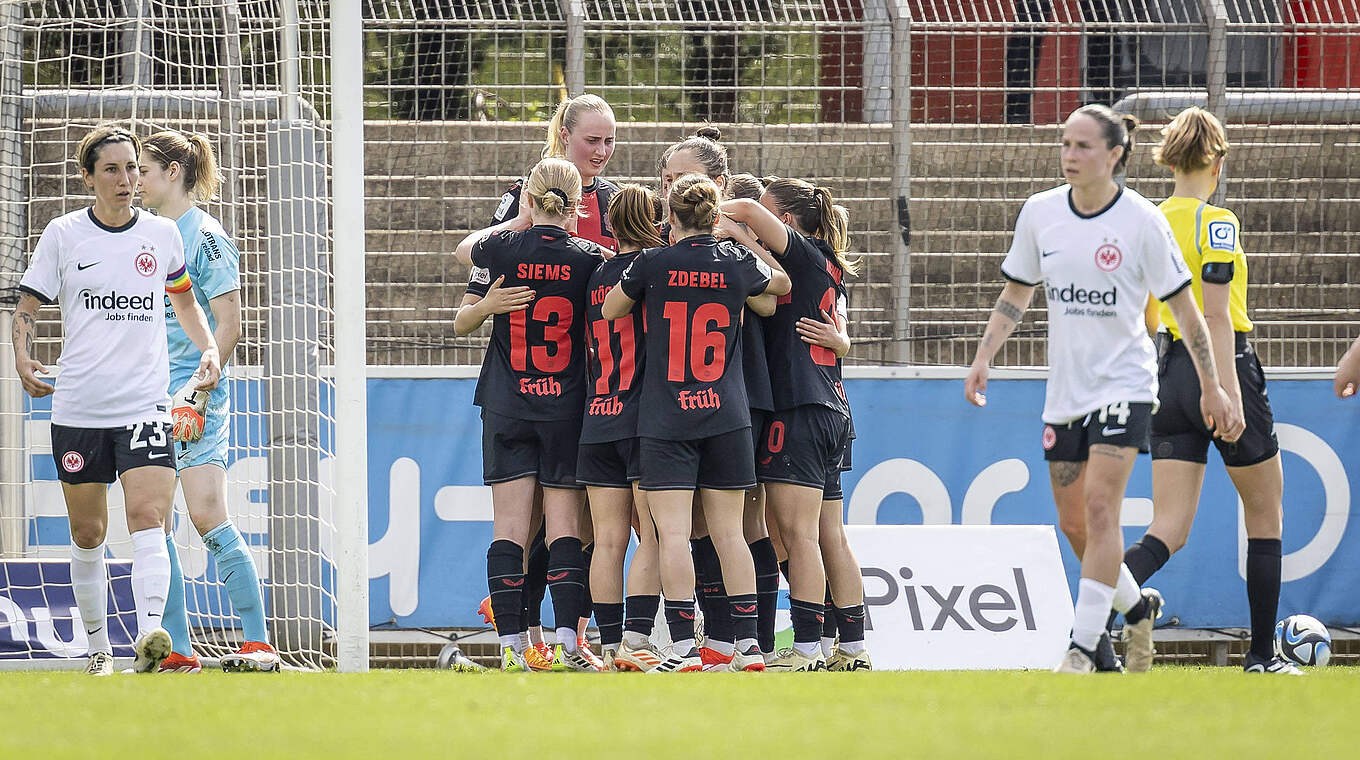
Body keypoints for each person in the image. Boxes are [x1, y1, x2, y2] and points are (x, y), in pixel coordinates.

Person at [964, 105, 1241, 673]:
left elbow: (1187, 312)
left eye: (1084, 146)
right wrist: (983, 355)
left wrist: (1213, 387)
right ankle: (1136, 607)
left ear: (1115, 155)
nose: (1070, 154)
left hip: (1128, 383)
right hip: (1067, 391)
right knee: (1074, 523)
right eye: (1065, 143)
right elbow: (1017, 293)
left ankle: (1082, 648)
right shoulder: (1040, 213)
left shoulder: (1142, 221)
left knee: (1100, 508)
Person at [11, 124, 221, 675]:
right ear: (89, 178)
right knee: (89, 533)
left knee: (150, 516)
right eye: (112, 169)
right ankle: (99, 649)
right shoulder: (63, 234)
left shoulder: (162, 235)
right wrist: (22, 355)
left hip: (144, 404)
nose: (126, 179)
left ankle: (152, 635)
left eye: (132, 168)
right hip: (79, 406)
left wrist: (209, 351)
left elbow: (184, 302)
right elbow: (28, 305)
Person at [1120, 107, 1300, 674]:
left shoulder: (1147, 220)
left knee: (1166, 527)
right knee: (1265, 514)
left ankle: (1092, 622)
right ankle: (1260, 656)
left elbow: (1146, 314)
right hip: (1225, 370)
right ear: (1218, 162)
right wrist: (1224, 391)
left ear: (1168, 160)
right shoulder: (1217, 221)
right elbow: (1218, 315)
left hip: (1165, 373)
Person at [602, 174, 790, 672]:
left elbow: (610, 307)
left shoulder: (653, 262)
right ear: (713, 215)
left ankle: (684, 647)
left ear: (670, 218)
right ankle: (749, 646)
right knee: (731, 534)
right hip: (727, 413)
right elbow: (781, 287)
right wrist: (747, 253)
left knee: (673, 535)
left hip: (666, 416)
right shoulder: (733, 263)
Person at [136, 130, 280, 673]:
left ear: (174, 172)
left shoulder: (207, 237)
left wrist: (198, 387)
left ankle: (257, 642)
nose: (137, 180)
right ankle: (177, 649)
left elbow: (229, 323)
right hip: (146, 391)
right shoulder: (144, 233)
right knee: (153, 516)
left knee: (205, 513)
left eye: (145, 170)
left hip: (196, 392)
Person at [454, 157, 606, 672]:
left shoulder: (500, 249)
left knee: (510, 529)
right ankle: (568, 643)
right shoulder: (591, 258)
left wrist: (518, 224)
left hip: (507, 403)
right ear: (578, 204)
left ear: (528, 199)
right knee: (565, 526)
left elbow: (464, 264)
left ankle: (512, 648)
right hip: (565, 405)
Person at [721, 180, 869, 671]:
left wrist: (702, 213)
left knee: (797, 534)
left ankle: (806, 649)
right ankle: (849, 647)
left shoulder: (802, 255)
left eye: (764, 218)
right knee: (829, 533)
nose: (753, 226)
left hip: (800, 407)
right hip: (831, 407)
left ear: (784, 220)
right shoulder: (828, 264)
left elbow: (741, 206)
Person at [577, 184, 664, 672]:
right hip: (641, 418)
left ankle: (609, 645)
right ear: (653, 223)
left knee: (608, 539)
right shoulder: (652, 271)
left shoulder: (595, 274)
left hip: (598, 414)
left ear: (609, 223)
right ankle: (638, 639)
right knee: (651, 537)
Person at [489, 94, 619, 252]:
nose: (601, 151)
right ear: (565, 136)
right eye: (592, 140)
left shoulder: (616, 199)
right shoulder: (530, 192)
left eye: (609, 141)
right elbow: (485, 252)